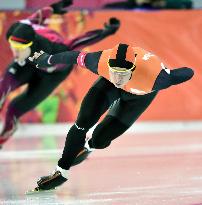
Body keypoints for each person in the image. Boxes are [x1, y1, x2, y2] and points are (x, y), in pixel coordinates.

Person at [28, 43, 194, 192]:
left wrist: (170, 73)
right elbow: (72, 56)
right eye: (115, 72)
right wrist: (47, 59)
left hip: (138, 97)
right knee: (83, 122)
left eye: (123, 74)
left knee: (101, 140)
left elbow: (188, 72)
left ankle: (89, 146)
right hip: (108, 86)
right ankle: (61, 172)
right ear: (108, 66)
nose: (118, 79)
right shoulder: (99, 61)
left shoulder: (158, 78)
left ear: (133, 69)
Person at [0, 0, 120, 148]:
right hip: (29, 64)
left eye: (19, 48)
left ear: (31, 44)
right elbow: (37, 17)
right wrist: (52, 8)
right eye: (13, 47)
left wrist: (106, 31)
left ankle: (1, 140)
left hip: (52, 74)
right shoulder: (22, 29)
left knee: (14, 109)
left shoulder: (55, 48)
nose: (15, 52)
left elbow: (78, 42)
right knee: (2, 88)